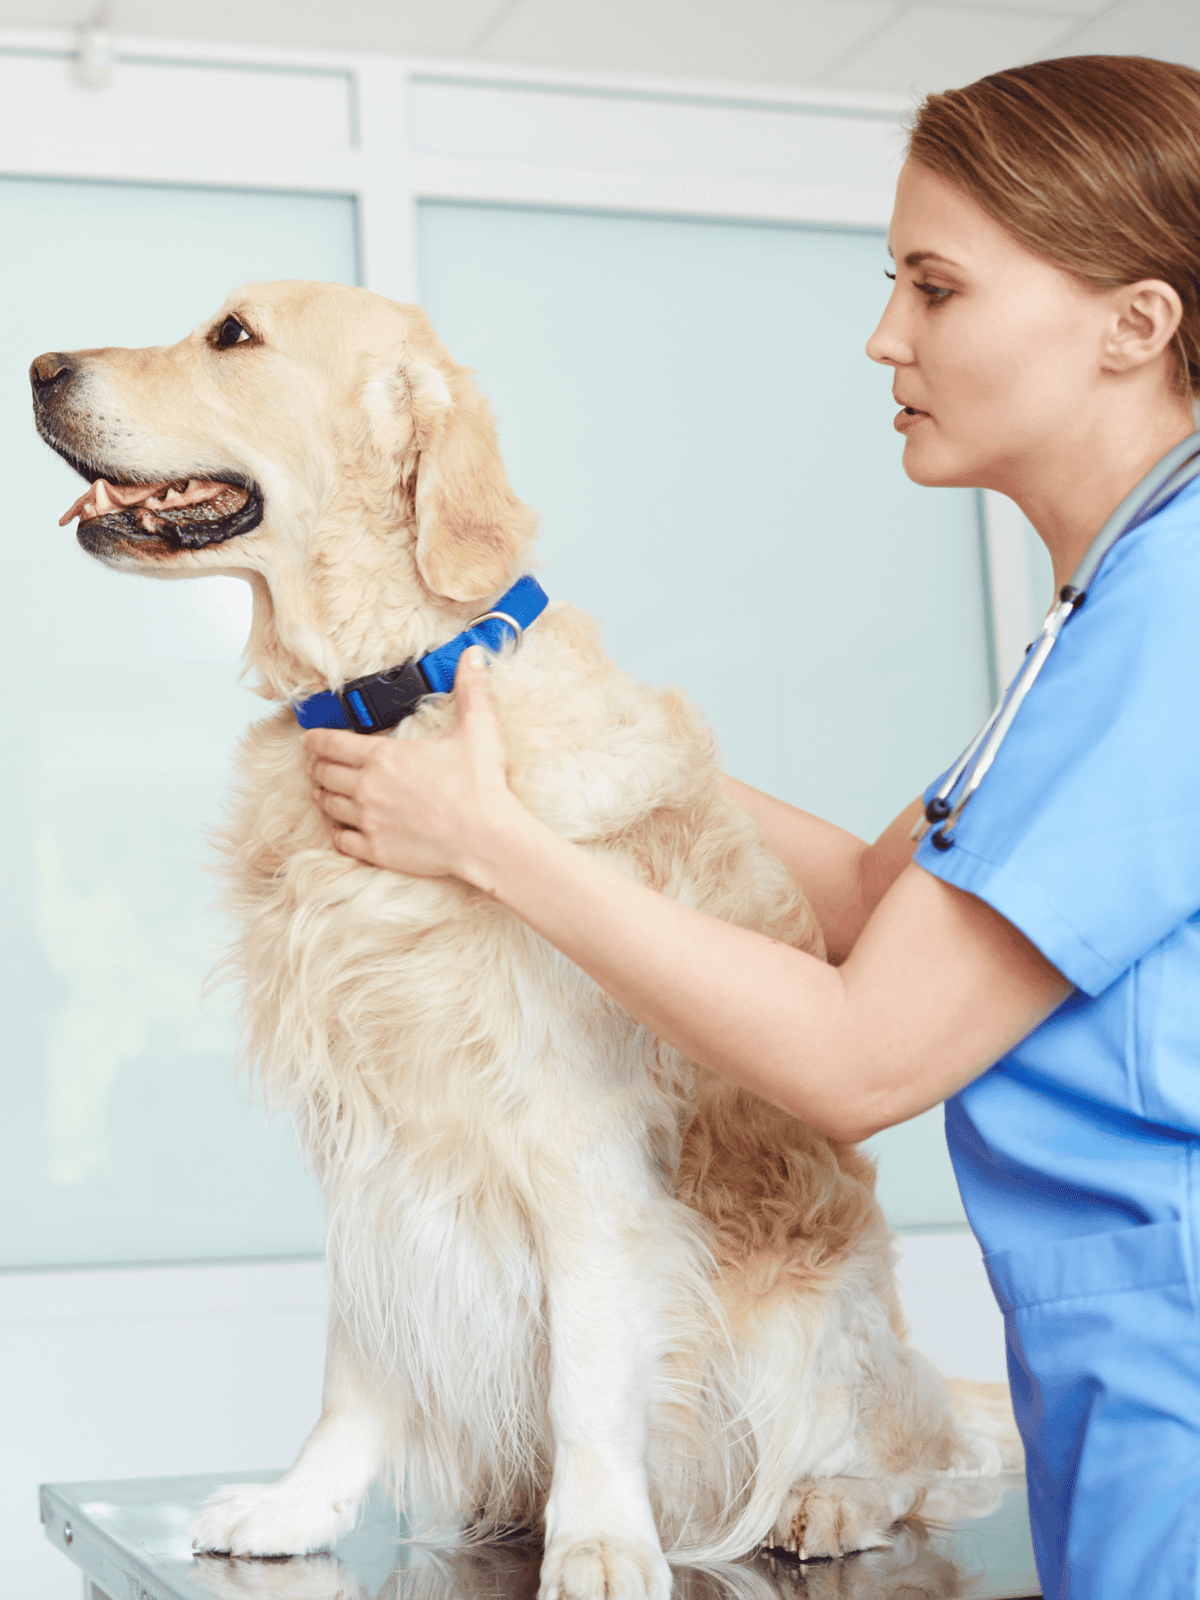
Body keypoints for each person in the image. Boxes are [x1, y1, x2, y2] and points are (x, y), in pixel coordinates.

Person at [304, 55, 1200, 1600]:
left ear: (1137, 323)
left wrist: (493, 842)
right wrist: (571, 716)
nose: (884, 336)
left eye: (937, 288)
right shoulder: (1108, 611)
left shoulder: (1175, 618)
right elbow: (874, 898)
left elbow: (864, 1052)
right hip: (1121, 1396)